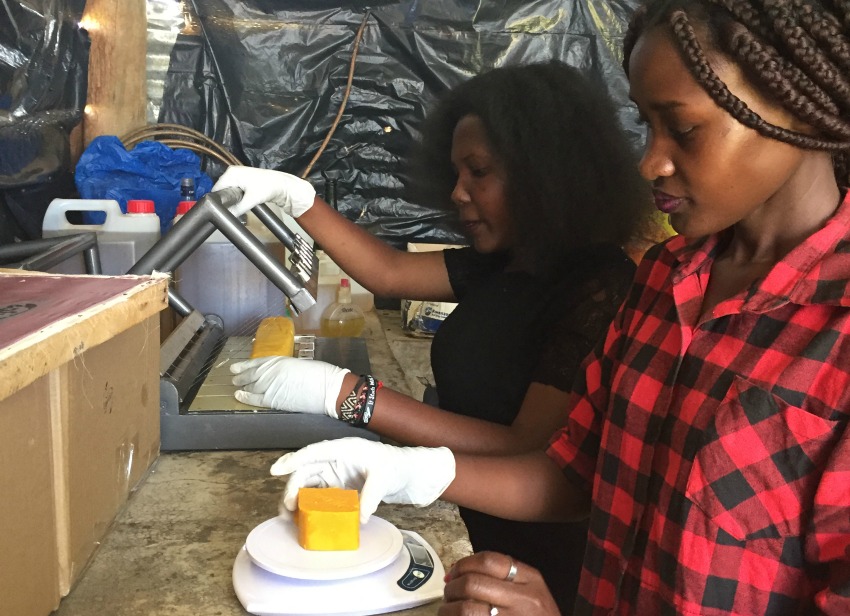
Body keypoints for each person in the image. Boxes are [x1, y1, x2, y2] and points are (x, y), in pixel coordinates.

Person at [267, 0, 850, 614]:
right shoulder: (663, 284)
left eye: (683, 128)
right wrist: (409, 473)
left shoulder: (830, 332)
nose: (650, 160)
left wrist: (356, 401)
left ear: (801, 108)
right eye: (646, 126)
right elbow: (573, 475)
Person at [214, 61, 655, 613]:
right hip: (480, 526)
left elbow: (530, 446)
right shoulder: (509, 261)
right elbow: (390, 273)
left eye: (479, 172)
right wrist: (300, 200)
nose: (458, 193)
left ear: (544, 173)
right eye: (455, 173)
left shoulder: (598, 286)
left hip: (544, 564)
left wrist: (351, 396)